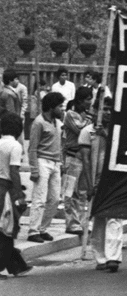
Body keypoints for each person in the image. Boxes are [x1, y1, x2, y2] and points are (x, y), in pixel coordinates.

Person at [83, 93, 122, 272]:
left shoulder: (117, 131)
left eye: (109, 110)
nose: (106, 113)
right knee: (98, 220)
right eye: (103, 109)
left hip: (113, 181)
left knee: (114, 217)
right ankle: (101, 257)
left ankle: (113, 257)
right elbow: (86, 160)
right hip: (96, 181)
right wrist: (90, 185)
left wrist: (105, 135)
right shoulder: (87, 132)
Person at [26, 91, 65, 243]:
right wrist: (34, 169)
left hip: (55, 163)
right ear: (51, 107)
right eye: (60, 106)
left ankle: (43, 228)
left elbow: (60, 145)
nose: (62, 109)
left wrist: (60, 162)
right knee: (39, 198)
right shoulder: (38, 123)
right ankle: (33, 230)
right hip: (42, 162)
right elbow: (33, 148)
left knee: (54, 199)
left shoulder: (58, 123)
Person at [0, 111, 32, 276]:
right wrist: (19, 194)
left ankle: (17, 265)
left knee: (4, 228)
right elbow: (14, 171)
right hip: (6, 190)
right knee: (8, 228)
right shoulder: (15, 146)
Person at [61, 86, 93, 235]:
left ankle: (82, 222)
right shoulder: (70, 114)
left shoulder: (87, 115)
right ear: (80, 100)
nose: (90, 102)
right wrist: (89, 121)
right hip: (72, 157)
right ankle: (71, 223)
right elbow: (81, 130)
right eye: (87, 99)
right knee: (70, 192)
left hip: (84, 158)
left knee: (82, 193)